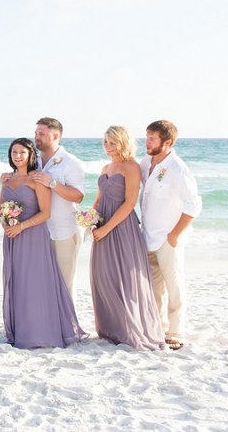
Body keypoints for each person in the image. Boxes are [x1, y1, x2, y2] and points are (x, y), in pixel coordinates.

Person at [0, 138, 86, 349]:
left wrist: (21, 226)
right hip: (11, 238)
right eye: (14, 152)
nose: (17, 156)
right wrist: (5, 224)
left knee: (35, 283)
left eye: (22, 152)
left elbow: (46, 213)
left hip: (32, 235)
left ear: (30, 155)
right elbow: (0, 208)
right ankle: (20, 329)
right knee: (16, 281)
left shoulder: (37, 180)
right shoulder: (7, 181)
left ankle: (40, 330)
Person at [89, 127, 165, 350]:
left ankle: (129, 328)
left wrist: (106, 229)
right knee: (104, 277)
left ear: (123, 142)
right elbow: (98, 200)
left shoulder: (131, 167)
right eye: (105, 142)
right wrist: (91, 220)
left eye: (112, 142)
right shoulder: (105, 167)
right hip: (102, 226)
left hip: (121, 229)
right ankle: (111, 327)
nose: (108, 146)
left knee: (124, 277)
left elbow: (129, 203)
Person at [2, 118, 86, 297]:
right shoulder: (35, 160)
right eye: (35, 134)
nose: (36, 137)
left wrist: (53, 183)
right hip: (38, 234)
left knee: (65, 284)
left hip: (63, 232)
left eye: (41, 134)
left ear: (56, 135)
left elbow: (78, 196)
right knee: (42, 285)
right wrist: (9, 178)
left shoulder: (71, 162)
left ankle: (68, 325)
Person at [139, 120, 202, 350]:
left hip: (168, 238)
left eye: (152, 139)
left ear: (168, 142)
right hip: (147, 235)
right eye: (146, 137)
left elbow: (194, 205)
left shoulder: (178, 168)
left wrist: (175, 235)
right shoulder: (146, 162)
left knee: (174, 285)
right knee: (155, 288)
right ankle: (158, 328)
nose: (147, 142)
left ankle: (175, 331)